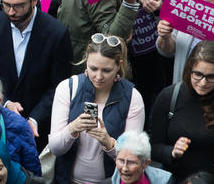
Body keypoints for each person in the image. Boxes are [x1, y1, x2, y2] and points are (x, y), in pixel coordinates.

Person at [0, 0, 73, 142]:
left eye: (18, 6)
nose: (11, 12)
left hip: (38, 129)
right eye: (6, 5)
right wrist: (3, 103)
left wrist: (34, 118)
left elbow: (59, 85)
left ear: (34, 0)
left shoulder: (56, 33)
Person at [49, 34, 145, 184]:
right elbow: (55, 148)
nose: (98, 76)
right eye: (93, 68)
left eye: (106, 70)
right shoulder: (68, 88)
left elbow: (133, 158)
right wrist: (72, 129)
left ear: (118, 66)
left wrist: (109, 143)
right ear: (86, 60)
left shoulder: (132, 96)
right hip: (68, 179)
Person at [149, 40, 214, 181]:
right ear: (189, 70)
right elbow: (154, 147)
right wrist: (171, 152)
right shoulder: (169, 96)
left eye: (211, 77)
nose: (203, 83)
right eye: (198, 74)